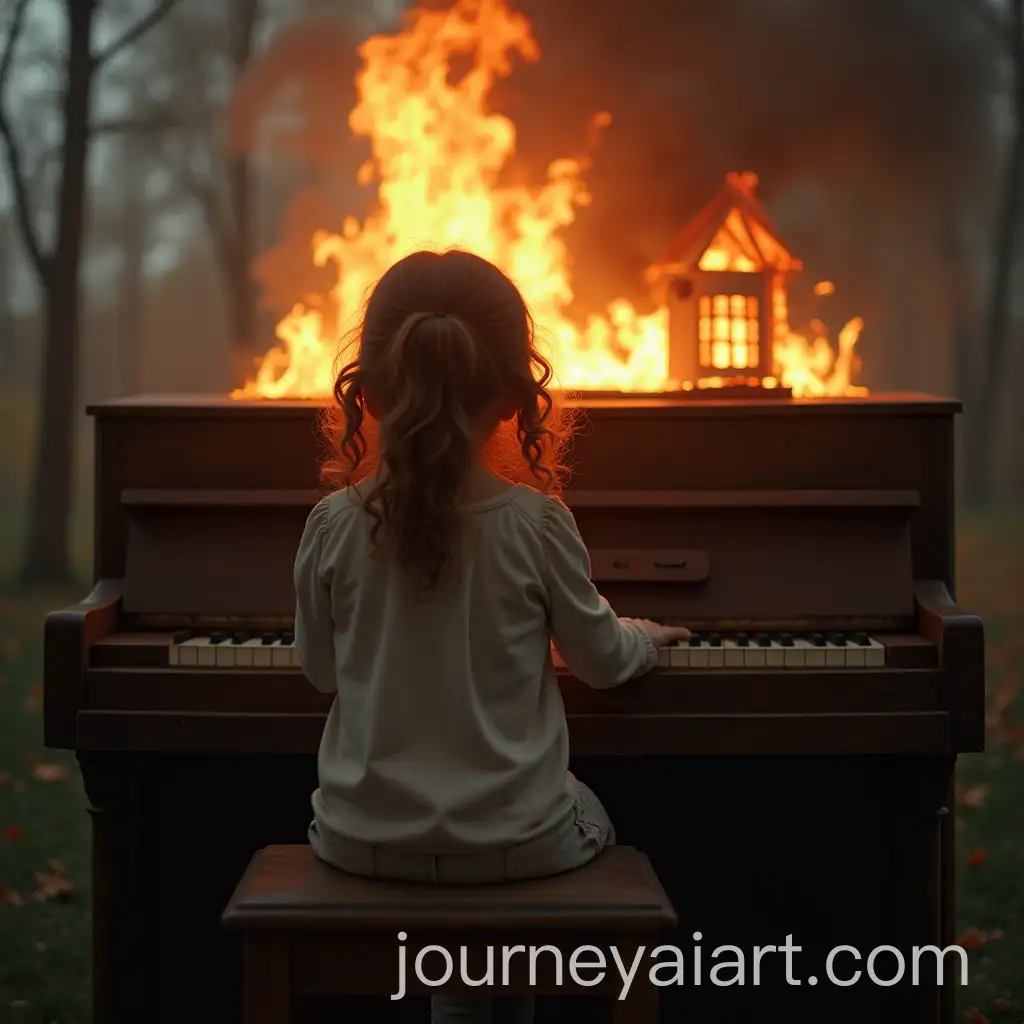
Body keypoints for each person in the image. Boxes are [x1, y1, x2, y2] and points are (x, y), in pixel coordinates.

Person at [293, 248, 691, 1024]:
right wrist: (645, 633)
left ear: (367, 393)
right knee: (579, 811)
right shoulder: (537, 524)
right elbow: (604, 662)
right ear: (513, 399)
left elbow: (319, 673)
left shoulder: (331, 525)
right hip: (517, 845)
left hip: (361, 838)